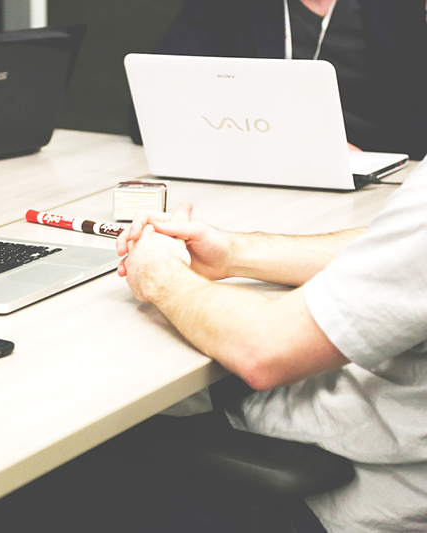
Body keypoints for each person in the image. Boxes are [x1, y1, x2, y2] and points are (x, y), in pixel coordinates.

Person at [113, 158, 427, 531]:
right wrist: (232, 252)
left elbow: (263, 351)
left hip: (358, 491)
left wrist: (160, 276)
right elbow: (393, 246)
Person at [129, 0, 427, 159]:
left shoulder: (402, 9)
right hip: (256, 173)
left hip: (380, 180)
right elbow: (148, 114)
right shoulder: (226, 6)